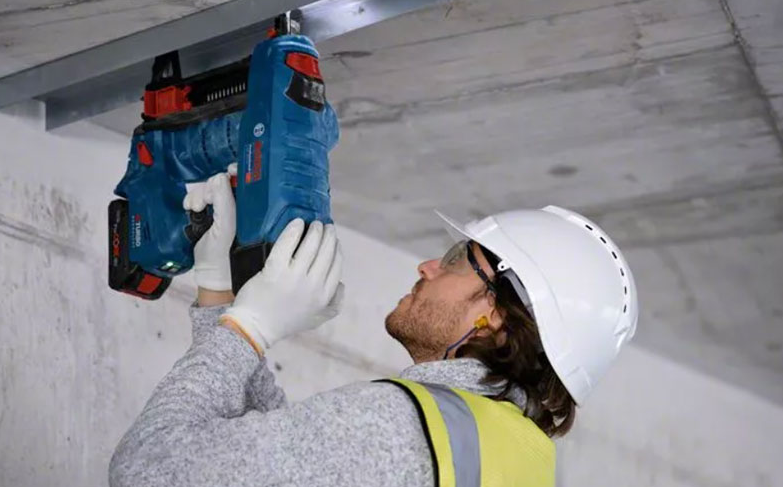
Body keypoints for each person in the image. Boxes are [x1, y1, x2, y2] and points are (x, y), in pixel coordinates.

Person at [109, 172, 638, 487]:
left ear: (497, 317)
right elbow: (284, 463)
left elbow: (145, 469)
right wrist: (219, 295)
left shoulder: (398, 426)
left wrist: (250, 327)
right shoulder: (513, 457)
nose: (427, 266)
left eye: (458, 259)